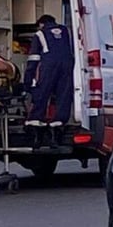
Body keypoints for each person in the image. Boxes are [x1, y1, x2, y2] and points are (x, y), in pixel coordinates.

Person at [24, 14, 75, 146]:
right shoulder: (66, 31)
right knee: (63, 96)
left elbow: (34, 59)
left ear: (41, 24)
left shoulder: (40, 34)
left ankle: (36, 132)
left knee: (42, 93)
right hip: (67, 65)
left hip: (48, 66)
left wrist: (28, 82)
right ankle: (57, 130)